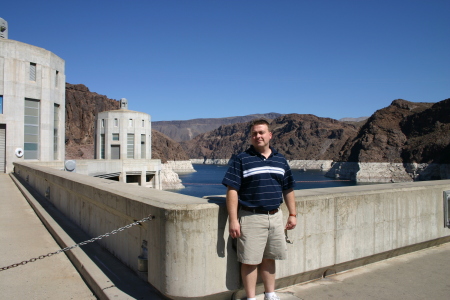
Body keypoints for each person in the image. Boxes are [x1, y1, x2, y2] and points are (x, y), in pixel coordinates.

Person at [222, 119, 297, 300]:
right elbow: (232, 190)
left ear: (270, 135)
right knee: (249, 261)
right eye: (254, 133)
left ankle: (270, 294)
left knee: (270, 258)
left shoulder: (280, 160)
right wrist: (233, 219)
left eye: (261, 132)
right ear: (251, 137)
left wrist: (293, 214)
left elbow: (288, 188)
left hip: (275, 216)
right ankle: (250, 297)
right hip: (251, 217)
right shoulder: (241, 159)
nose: (258, 136)